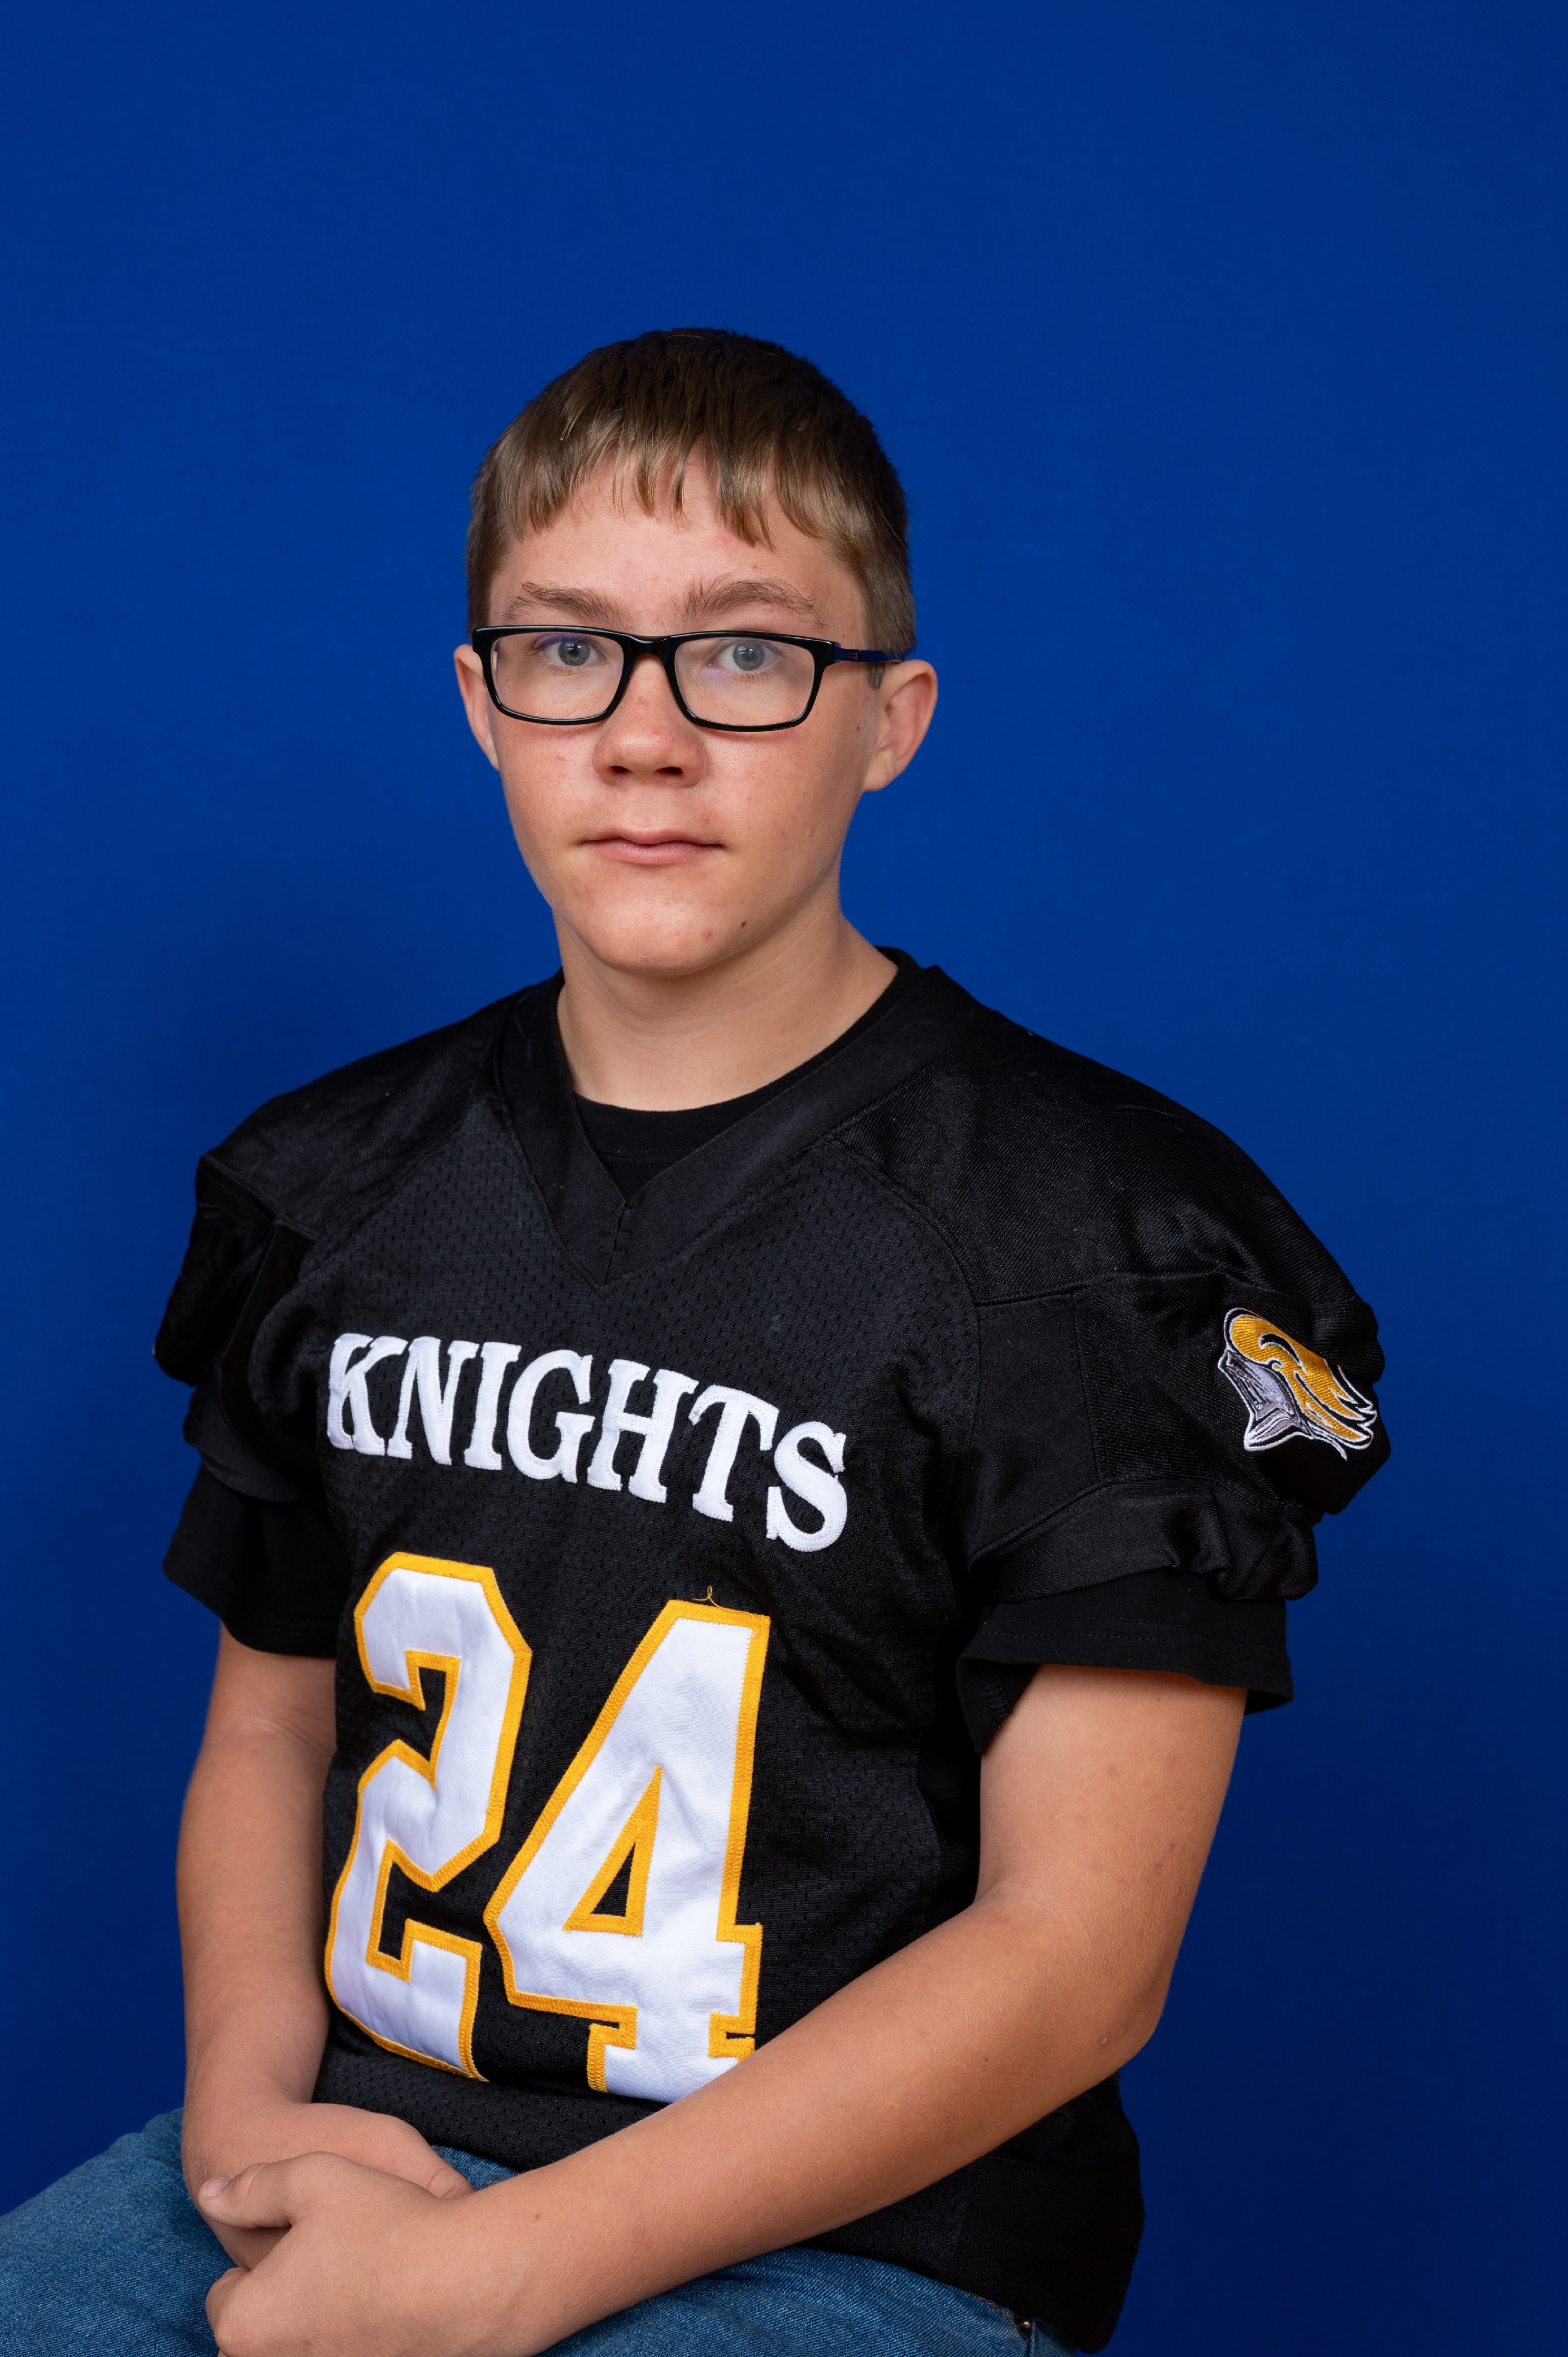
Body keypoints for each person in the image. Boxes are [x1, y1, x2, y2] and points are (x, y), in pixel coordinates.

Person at [0, 328, 1388, 2357]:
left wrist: (498, 2276)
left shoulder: (1086, 1244)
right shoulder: (342, 1187)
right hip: (370, 2130)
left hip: (855, 2232)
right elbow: (272, 1732)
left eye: (745, 654)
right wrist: (243, 2127)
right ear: (482, 703)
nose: (645, 736)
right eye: (570, 649)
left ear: (890, 718)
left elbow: (1078, 1954)